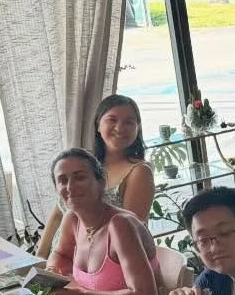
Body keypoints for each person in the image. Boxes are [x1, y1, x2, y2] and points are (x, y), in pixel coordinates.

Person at [35, 94, 156, 259]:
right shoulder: (85, 164)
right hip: (59, 258)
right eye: (112, 120)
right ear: (98, 125)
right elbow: (57, 214)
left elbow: (130, 232)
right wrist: (39, 258)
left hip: (102, 263)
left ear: (138, 128)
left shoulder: (139, 172)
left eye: (129, 122)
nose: (120, 128)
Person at [45, 148, 160, 295]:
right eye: (62, 180)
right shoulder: (73, 220)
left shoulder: (120, 225)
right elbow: (60, 253)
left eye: (79, 177)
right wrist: (52, 271)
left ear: (101, 182)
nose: (70, 187)